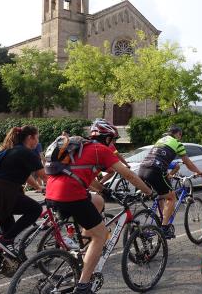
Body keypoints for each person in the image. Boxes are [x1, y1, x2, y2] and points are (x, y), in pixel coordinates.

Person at [45, 120, 153, 294]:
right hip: (72, 195)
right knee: (101, 235)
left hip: (52, 193)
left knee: (98, 201)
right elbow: (128, 174)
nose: (114, 143)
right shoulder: (101, 150)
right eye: (113, 140)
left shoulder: (81, 148)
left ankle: (85, 243)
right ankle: (83, 285)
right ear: (108, 138)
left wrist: (104, 190)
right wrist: (148, 192)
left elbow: (78, 174)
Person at [0, 126, 44, 258]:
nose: (37, 142)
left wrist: (38, 188)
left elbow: (28, 176)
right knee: (35, 209)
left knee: (8, 228)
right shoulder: (27, 153)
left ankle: (3, 262)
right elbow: (44, 175)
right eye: (37, 138)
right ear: (30, 137)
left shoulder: (9, 150)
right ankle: (5, 241)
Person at [138, 125, 202, 238]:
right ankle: (164, 228)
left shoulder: (160, 141)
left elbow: (160, 158)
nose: (180, 137)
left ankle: (161, 220)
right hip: (155, 171)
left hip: (142, 170)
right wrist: (198, 172)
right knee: (171, 197)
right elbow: (188, 163)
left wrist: (170, 174)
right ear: (178, 134)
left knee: (161, 195)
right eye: (180, 135)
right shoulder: (177, 143)